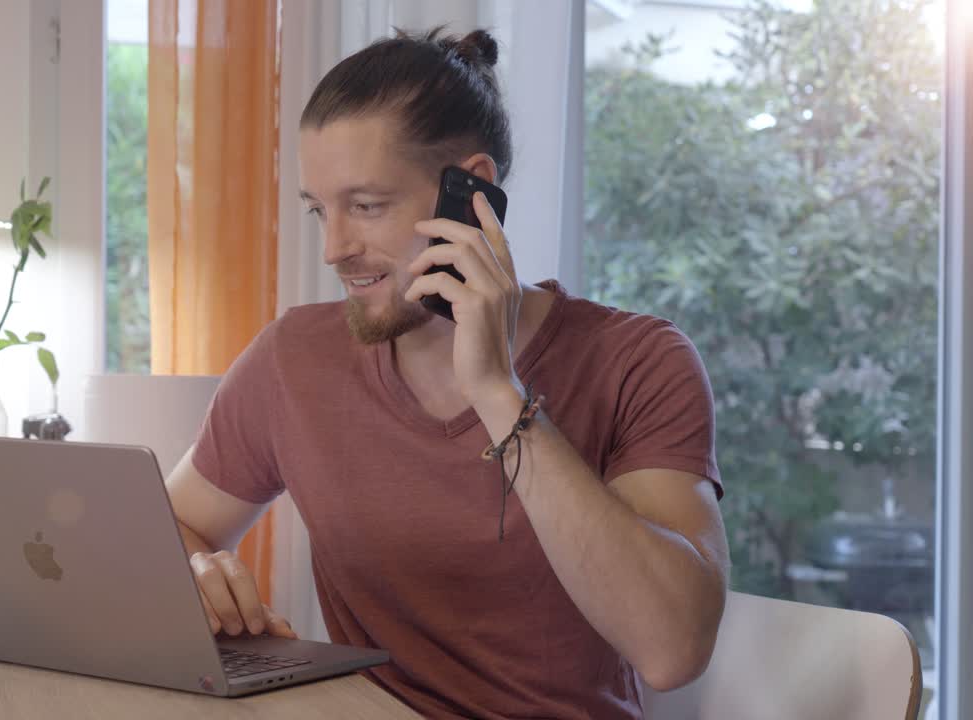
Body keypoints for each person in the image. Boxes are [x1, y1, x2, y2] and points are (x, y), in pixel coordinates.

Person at [165, 26, 729, 720]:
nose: (334, 248)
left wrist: (497, 391)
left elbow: (672, 649)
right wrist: (194, 572)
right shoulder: (294, 359)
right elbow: (170, 525)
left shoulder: (639, 362)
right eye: (319, 210)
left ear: (472, 192)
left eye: (367, 206)